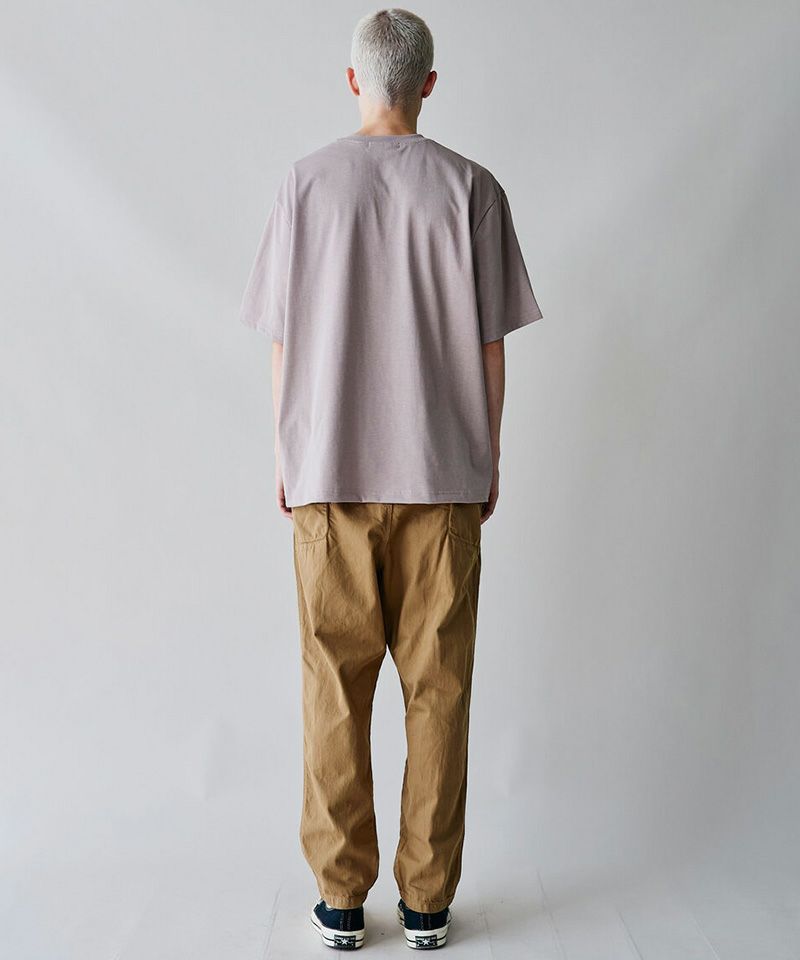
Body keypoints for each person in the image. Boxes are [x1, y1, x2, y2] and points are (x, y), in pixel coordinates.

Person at [240, 7, 543, 951]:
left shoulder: (304, 185)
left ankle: (340, 900)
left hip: (328, 471)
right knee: (438, 689)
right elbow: (490, 347)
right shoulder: (471, 188)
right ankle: (427, 903)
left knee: (333, 687)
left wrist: (286, 455)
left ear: (353, 80)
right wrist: (488, 457)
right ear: (429, 85)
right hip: (442, 474)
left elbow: (283, 341)